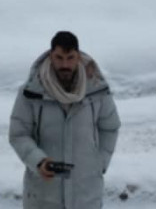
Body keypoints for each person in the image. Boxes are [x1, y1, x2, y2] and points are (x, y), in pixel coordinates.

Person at [8, 31, 121, 209]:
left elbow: (110, 127)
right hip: (43, 196)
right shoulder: (31, 92)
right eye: (59, 58)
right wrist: (38, 162)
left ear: (78, 57)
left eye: (70, 58)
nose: (64, 64)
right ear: (51, 55)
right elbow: (18, 134)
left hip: (86, 195)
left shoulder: (97, 90)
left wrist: (100, 164)